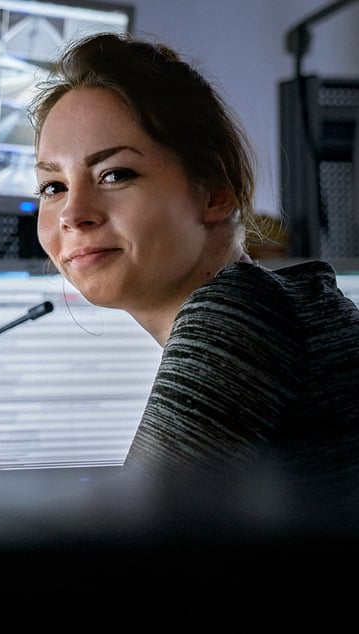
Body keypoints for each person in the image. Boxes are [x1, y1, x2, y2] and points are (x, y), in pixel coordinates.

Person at [27, 31, 359, 507]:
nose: (72, 213)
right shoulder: (280, 303)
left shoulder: (238, 315)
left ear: (215, 194)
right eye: (52, 185)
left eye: (115, 174)